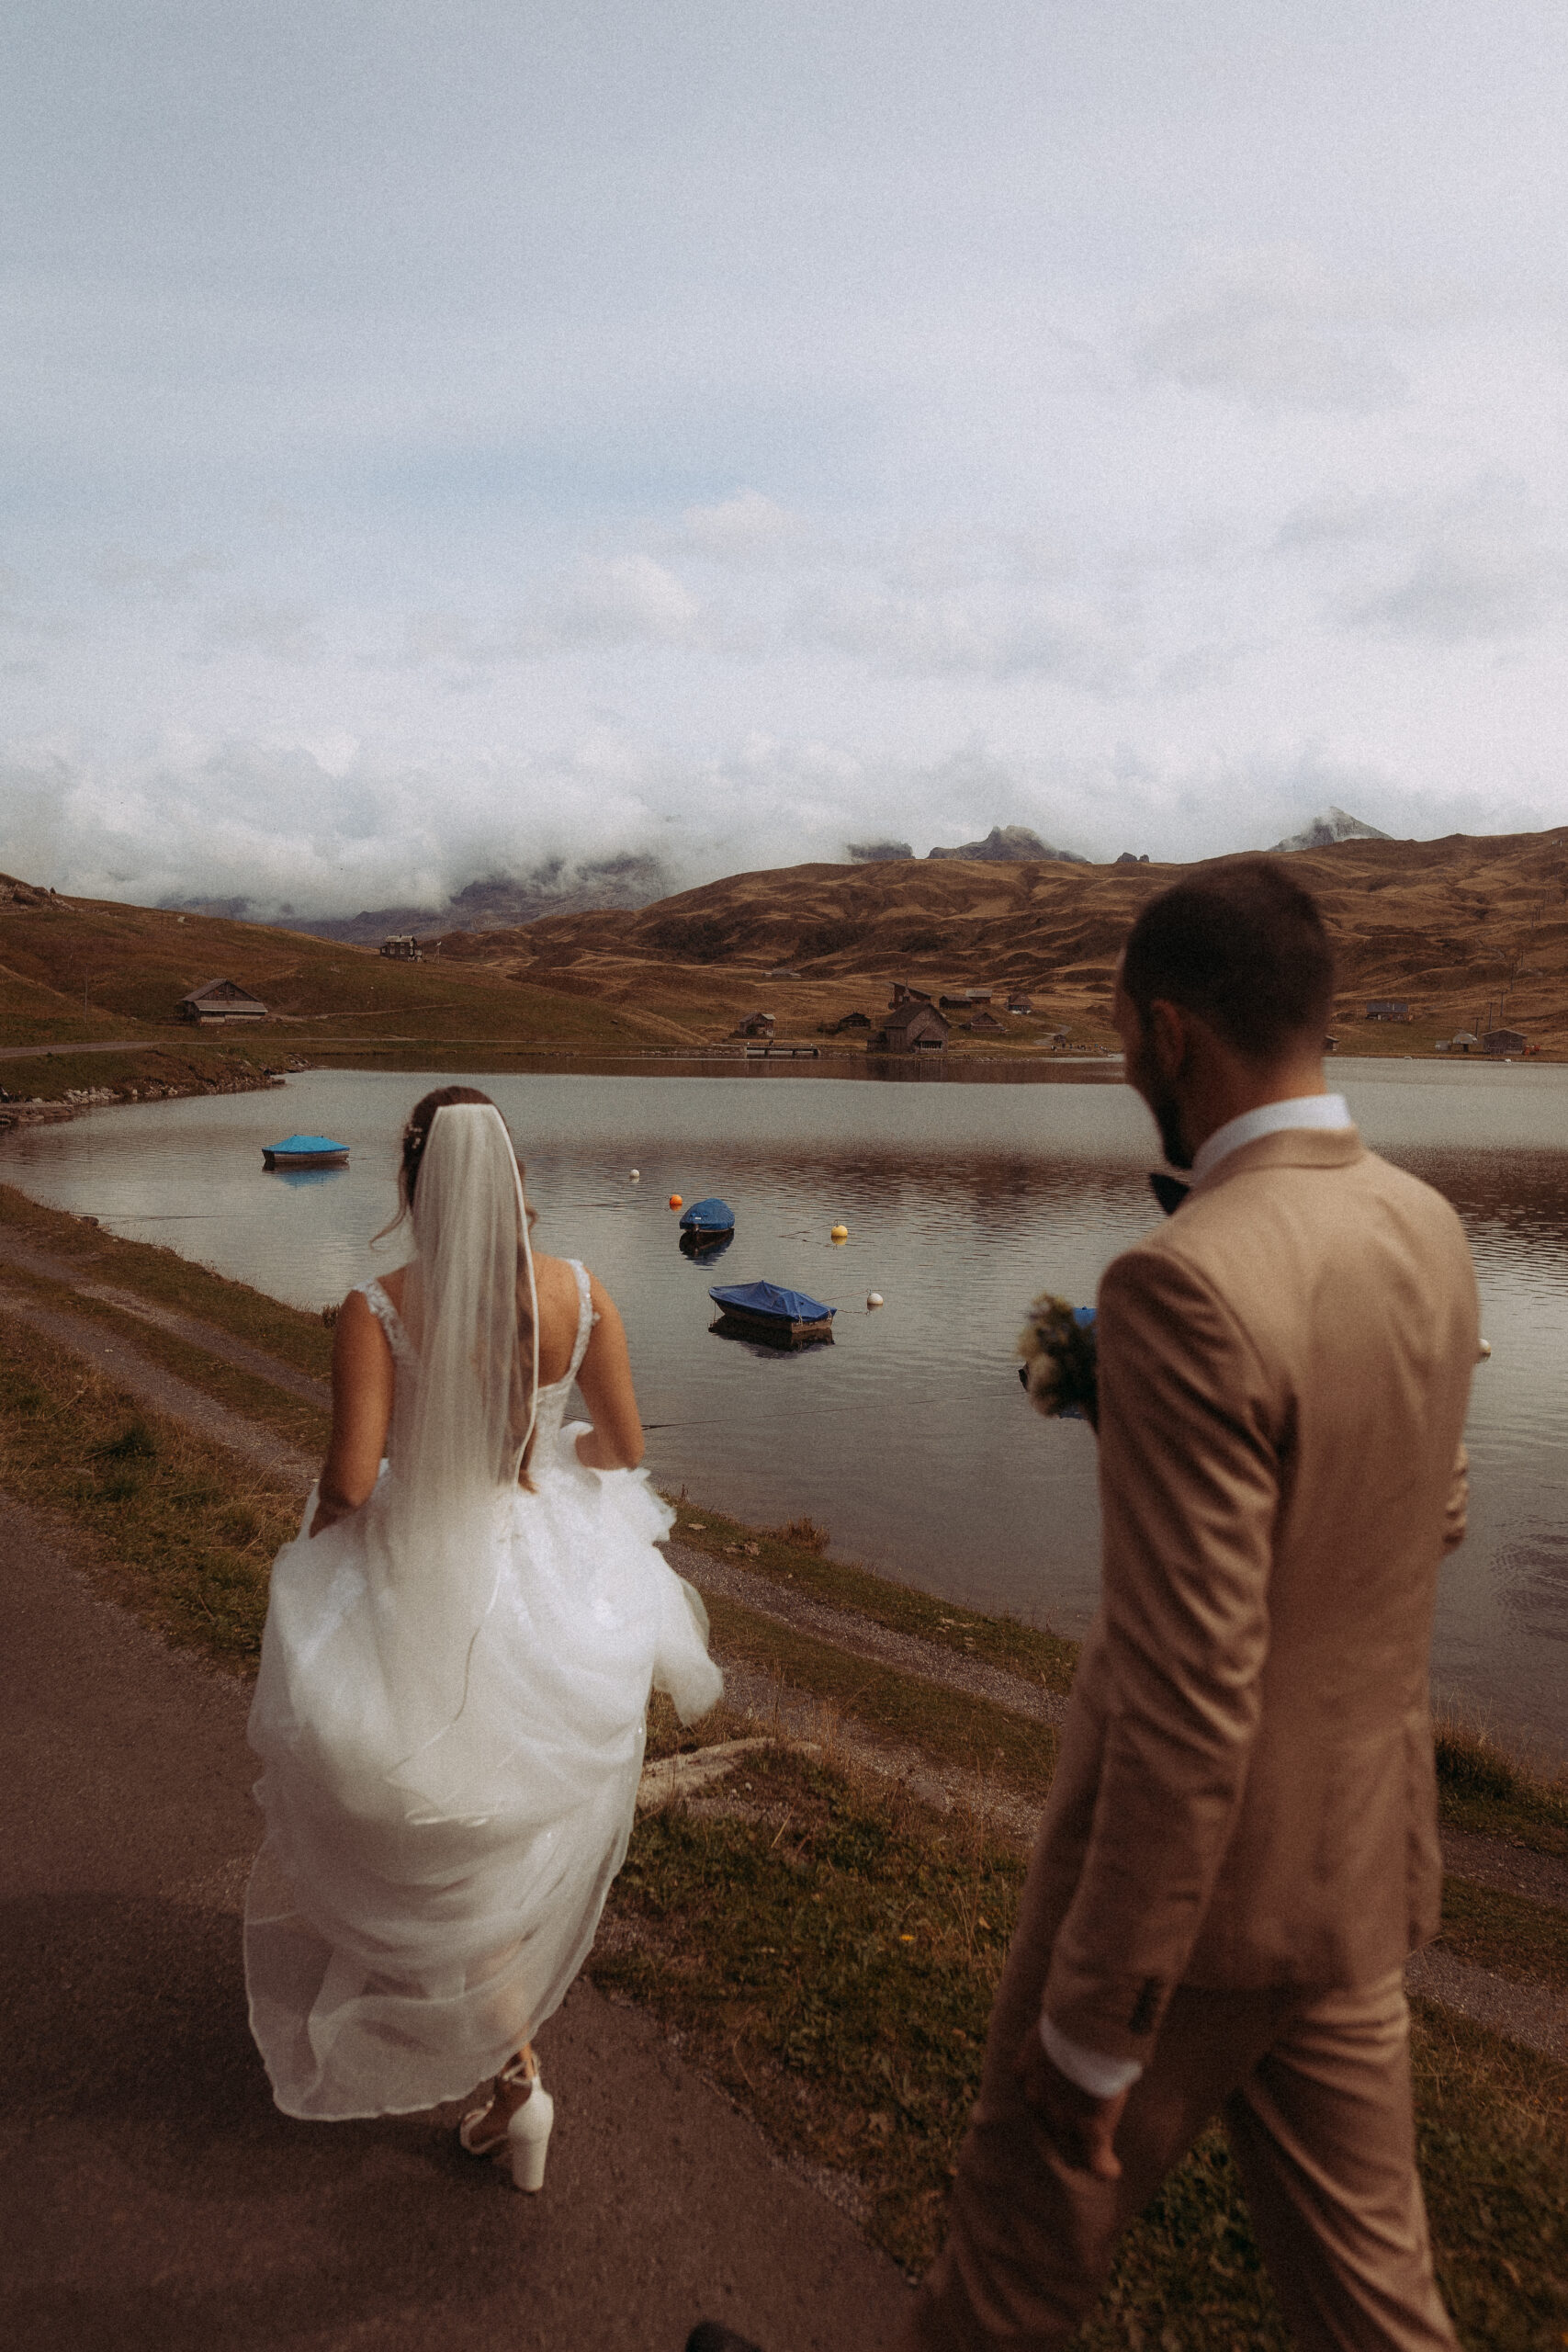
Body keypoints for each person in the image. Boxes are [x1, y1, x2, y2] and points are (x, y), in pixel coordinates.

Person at [908, 858, 1480, 2350]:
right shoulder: (1426, 1226)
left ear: (1168, 1033)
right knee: (1375, 2310)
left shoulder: (1184, 1283)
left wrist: (1096, 2028)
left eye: (1119, 1037)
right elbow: (1430, 1510)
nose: (1121, 1071)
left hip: (1189, 1916)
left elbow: (1188, 1696)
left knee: (1006, 2282)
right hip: (1348, 1875)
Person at [244, 1086, 722, 2189]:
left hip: (425, 1570)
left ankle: (516, 2076)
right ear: (515, 1178)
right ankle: (511, 2070)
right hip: (547, 1572)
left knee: (428, 1809)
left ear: (414, 1183)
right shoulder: (581, 1293)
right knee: (497, 1821)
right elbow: (623, 1446)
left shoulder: (378, 1306)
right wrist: (551, 1460)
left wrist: (312, 1567)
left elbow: (351, 1481)